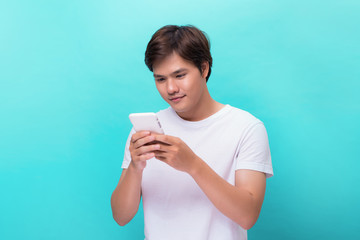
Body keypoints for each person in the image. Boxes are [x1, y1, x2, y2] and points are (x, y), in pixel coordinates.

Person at [111, 25, 273, 240]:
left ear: (204, 69)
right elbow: (121, 216)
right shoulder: (145, 131)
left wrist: (192, 165)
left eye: (179, 75)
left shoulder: (246, 127)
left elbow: (247, 215)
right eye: (160, 79)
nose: (170, 88)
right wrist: (135, 167)